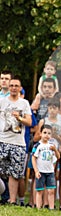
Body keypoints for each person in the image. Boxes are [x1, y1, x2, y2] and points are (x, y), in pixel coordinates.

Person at [0, 76, 32, 204]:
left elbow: (29, 122)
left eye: (16, 86)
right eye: (11, 85)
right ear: (9, 87)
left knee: (15, 173)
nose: (13, 88)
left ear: (20, 88)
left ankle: (12, 200)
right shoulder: (2, 101)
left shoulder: (24, 103)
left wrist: (19, 118)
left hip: (18, 143)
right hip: (2, 140)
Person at [32, 124, 60, 209]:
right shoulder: (37, 146)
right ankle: (38, 207)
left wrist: (55, 150)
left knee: (51, 190)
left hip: (50, 171)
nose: (46, 135)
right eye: (44, 132)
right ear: (40, 134)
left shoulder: (51, 146)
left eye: (49, 133)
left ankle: (51, 207)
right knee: (39, 190)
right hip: (40, 171)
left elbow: (58, 157)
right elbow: (33, 158)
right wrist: (36, 171)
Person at [0, 70, 13, 205]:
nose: (4, 80)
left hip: (9, 136)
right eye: (2, 78)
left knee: (6, 169)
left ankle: (6, 197)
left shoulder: (15, 97)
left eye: (6, 79)